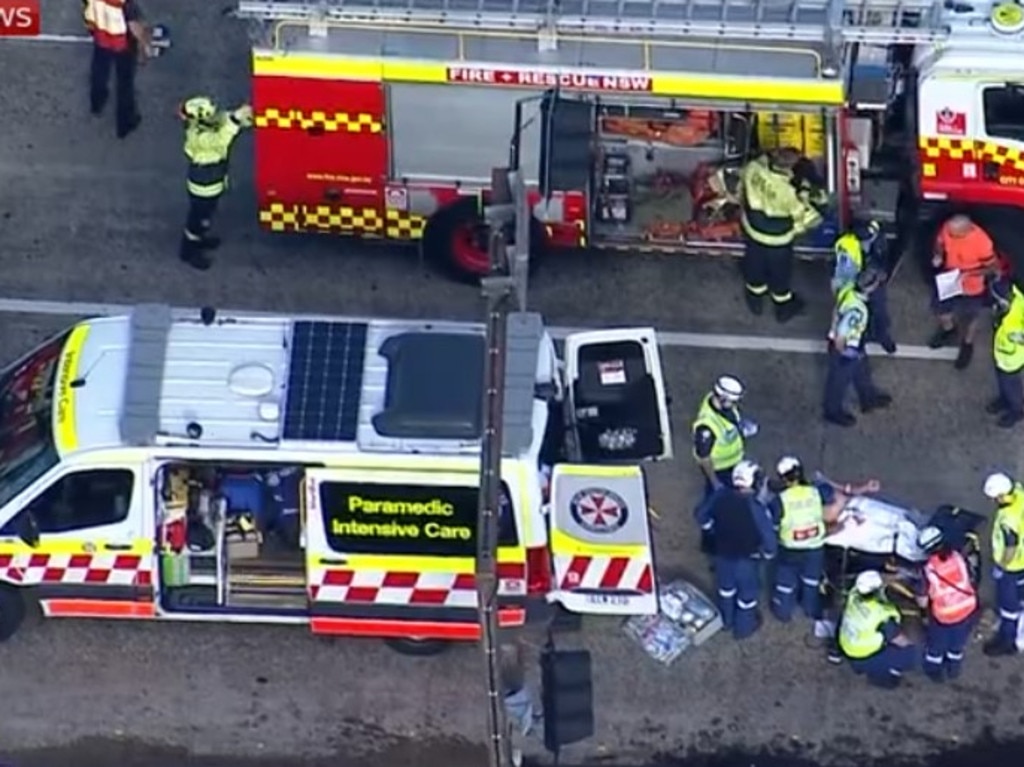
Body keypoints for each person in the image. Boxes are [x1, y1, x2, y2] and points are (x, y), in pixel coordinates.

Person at [769, 457, 880, 623]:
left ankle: (783, 612)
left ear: (782, 478)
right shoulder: (817, 491)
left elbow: (773, 526)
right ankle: (811, 609)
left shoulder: (779, 501)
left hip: (790, 550)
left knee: (785, 583)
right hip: (814, 548)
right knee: (811, 581)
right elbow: (836, 494)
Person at [695, 460, 777, 640]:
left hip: (722, 557)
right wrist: (768, 554)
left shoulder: (720, 496)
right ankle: (744, 628)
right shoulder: (757, 508)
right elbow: (769, 539)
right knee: (747, 597)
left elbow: (701, 515)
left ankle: (726, 621)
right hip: (746, 561)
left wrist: (711, 529)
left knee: (725, 590)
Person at [739, 148, 823, 323]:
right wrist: (807, 189)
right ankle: (783, 307)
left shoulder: (754, 168)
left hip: (753, 231)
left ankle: (755, 301)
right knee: (780, 273)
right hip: (778, 240)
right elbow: (807, 219)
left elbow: (745, 184)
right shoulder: (789, 192)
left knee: (754, 266)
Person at [178, 96, 254, 270]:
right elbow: (222, 139)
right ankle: (189, 251)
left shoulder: (201, 124)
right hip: (204, 188)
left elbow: (221, 120)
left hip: (210, 183)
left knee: (203, 216)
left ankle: (198, 240)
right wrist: (236, 120)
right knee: (199, 220)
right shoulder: (201, 138)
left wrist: (238, 116)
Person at [823, 267, 893, 426]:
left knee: (862, 370)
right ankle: (832, 411)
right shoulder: (857, 311)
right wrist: (846, 353)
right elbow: (841, 335)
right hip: (844, 349)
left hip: (853, 345)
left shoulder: (848, 289)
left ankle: (868, 398)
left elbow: (836, 307)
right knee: (838, 382)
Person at [928, 214, 998, 369]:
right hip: (950, 279)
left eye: (955, 235)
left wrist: (970, 274)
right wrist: (938, 254)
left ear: (967, 230)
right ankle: (949, 330)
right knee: (940, 309)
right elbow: (939, 242)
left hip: (972, 286)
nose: (951, 236)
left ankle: (967, 344)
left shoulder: (982, 242)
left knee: (970, 318)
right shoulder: (948, 227)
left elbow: (993, 267)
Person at [915, 525, 979, 682]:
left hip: (945, 615)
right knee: (957, 642)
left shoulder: (928, 569)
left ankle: (933, 670)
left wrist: (923, 615)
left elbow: (922, 599)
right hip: (968, 608)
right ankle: (953, 668)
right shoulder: (958, 557)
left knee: (936, 644)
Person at [838, 570, 917, 689]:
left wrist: (899, 576)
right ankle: (883, 677)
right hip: (863, 655)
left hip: (847, 642)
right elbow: (900, 640)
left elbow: (878, 581)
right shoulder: (880, 614)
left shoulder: (854, 593)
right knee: (910, 653)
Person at [83, 0, 151, 139]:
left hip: (101, 36)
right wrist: (144, 48)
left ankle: (96, 103)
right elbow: (134, 27)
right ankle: (124, 123)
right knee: (124, 84)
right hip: (122, 43)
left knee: (99, 70)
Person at [832, 220, 897, 354]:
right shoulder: (849, 244)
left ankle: (881, 335)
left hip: (869, 283)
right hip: (856, 286)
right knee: (857, 315)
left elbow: (883, 262)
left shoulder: (877, 242)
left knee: (878, 312)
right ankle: (863, 337)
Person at [981, 472, 1024, 656]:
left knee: (1008, 605)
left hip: (1012, 566)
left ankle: (1007, 640)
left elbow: (1011, 547)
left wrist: (1002, 567)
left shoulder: (1008, 519)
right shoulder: (1020, 494)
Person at [987, 277, 1024, 428]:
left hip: (1013, 357)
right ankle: (1005, 399)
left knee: (1010, 383)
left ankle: (1017, 409)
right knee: (1002, 380)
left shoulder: (1020, 309)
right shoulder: (1010, 297)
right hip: (1000, 350)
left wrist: (1019, 337)